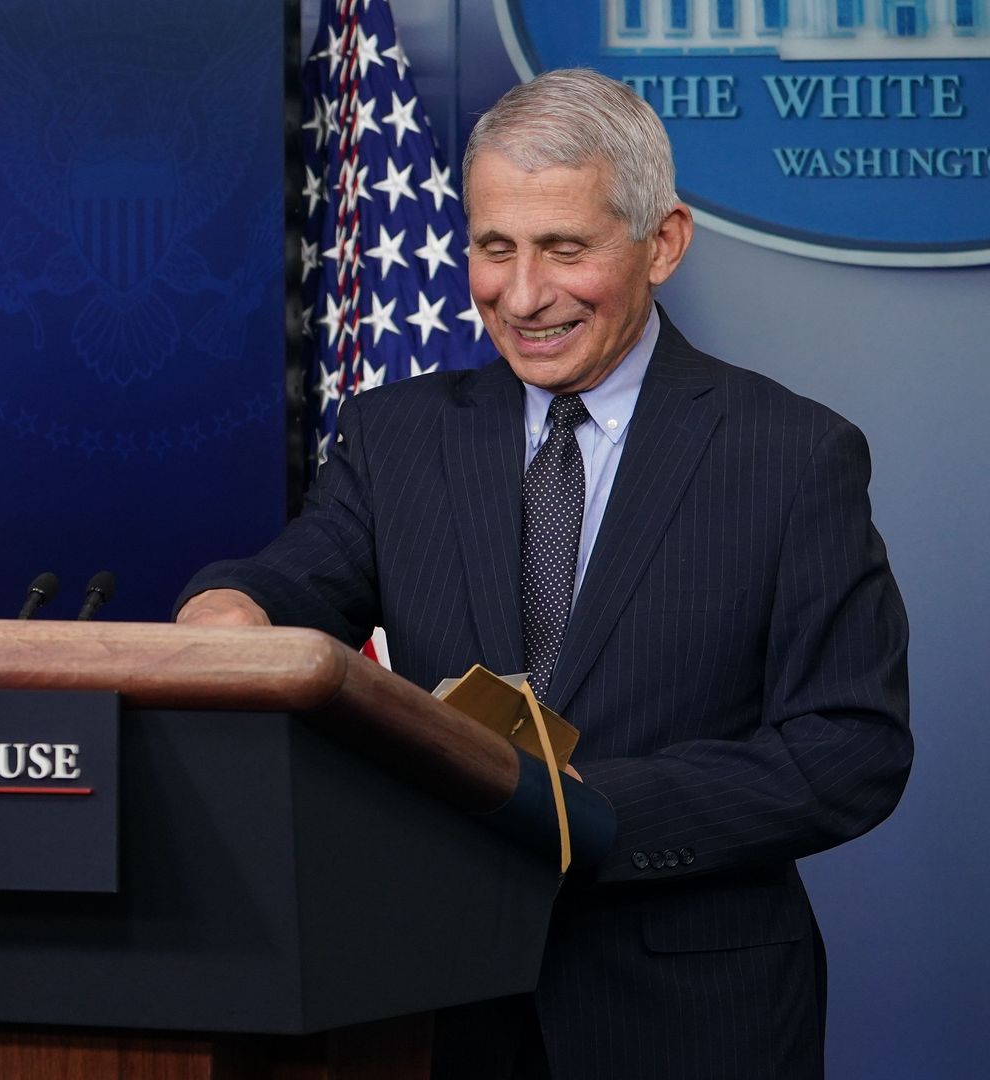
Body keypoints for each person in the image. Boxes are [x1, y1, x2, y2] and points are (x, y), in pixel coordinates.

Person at [178, 69, 910, 1080]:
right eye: (493, 248)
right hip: (435, 1009)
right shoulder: (398, 439)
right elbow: (290, 586)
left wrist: (575, 808)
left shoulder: (794, 454)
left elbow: (849, 751)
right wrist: (226, 609)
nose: (521, 296)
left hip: (695, 1019)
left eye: (565, 249)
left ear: (663, 242)